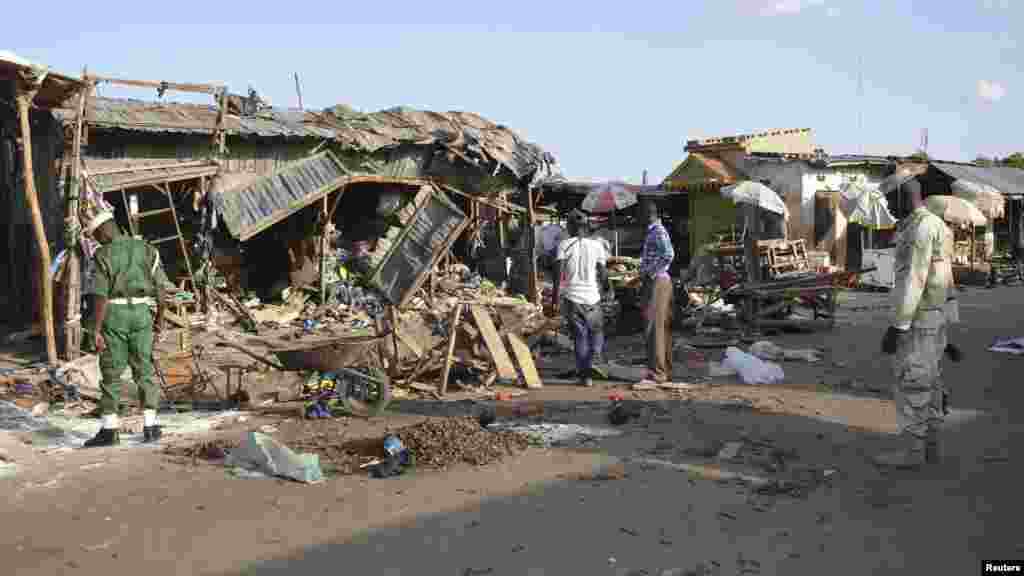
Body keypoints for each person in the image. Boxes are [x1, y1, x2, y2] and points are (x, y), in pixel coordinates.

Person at [878, 179, 953, 468]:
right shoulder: (937, 224)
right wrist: (950, 323)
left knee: (913, 385)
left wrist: (898, 326)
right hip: (935, 320)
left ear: (901, 195)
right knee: (930, 383)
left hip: (918, 322)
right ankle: (930, 448)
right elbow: (946, 278)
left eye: (889, 199)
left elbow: (914, 278)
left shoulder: (919, 229)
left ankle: (913, 454)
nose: (887, 206)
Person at [84, 212, 170, 448]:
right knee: (144, 370)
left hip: (114, 316)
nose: (97, 241)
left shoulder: (102, 255)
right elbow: (161, 289)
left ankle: (110, 430)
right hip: (142, 314)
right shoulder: (147, 249)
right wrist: (160, 319)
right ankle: (151, 426)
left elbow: (100, 295)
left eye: (96, 236)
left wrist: (96, 330)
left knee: (111, 373)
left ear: (104, 231)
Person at [552, 210, 608, 387]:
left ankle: (586, 377)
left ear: (569, 227)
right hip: (593, 297)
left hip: (572, 298)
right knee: (597, 331)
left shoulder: (564, 245)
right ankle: (595, 358)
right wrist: (607, 289)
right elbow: (603, 273)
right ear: (585, 226)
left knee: (580, 337)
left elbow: (558, 274)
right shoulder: (597, 246)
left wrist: (555, 297)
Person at [634, 200, 675, 385]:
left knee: (654, 328)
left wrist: (649, 272)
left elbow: (668, 254)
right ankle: (662, 369)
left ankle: (658, 373)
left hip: (657, 281)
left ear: (647, 214)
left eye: (639, 214)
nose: (637, 219)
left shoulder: (658, 231)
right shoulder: (653, 231)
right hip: (657, 280)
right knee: (659, 327)